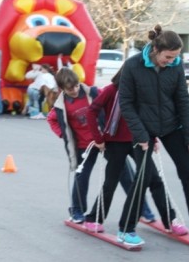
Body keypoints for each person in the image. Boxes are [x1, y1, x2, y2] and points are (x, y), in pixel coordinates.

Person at [117, 25, 189, 247]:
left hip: (172, 127)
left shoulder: (176, 67)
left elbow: (183, 101)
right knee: (142, 178)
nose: (171, 61)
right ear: (155, 49)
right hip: (143, 128)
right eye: (168, 56)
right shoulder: (133, 65)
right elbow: (126, 103)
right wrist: (141, 135)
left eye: (176, 57)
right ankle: (126, 229)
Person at [83, 69, 188, 238]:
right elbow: (91, 111)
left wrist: (153, 139)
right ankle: (94, 218)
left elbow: (148, 118)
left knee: (154, 180)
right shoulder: (111, 90)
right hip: (115, 142)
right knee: (111, 181)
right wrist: (98, 138)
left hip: (139, 141)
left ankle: (170, 219)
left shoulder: (141, 93)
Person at [47, 68, 135, 224]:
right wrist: (63, 133)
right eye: (70, 89)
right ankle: (77, 210)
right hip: (83, 145)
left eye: (76, 86)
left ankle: (141, 207)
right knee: (82, 177)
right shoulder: (61, 105)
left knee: (124, 172)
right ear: (62, 89)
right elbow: (51, 119)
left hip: (104, 140)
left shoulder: (93, 92)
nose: (74, 90)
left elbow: (111, 104)